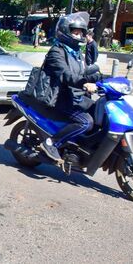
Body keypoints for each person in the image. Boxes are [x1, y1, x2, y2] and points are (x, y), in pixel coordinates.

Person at [40, 12, 102, 162]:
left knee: (100, 113)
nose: (79, 35)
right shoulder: (57, 51)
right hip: (60, 97)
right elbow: (66, 75)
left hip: (76, 96)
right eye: (75, 32)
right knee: (85, 122)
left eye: (81, 32)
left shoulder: (75, 53)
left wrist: (102, 79)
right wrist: (84, 83)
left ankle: (82, 147)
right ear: (66, 32)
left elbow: (87, 68)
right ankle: (51, 143)